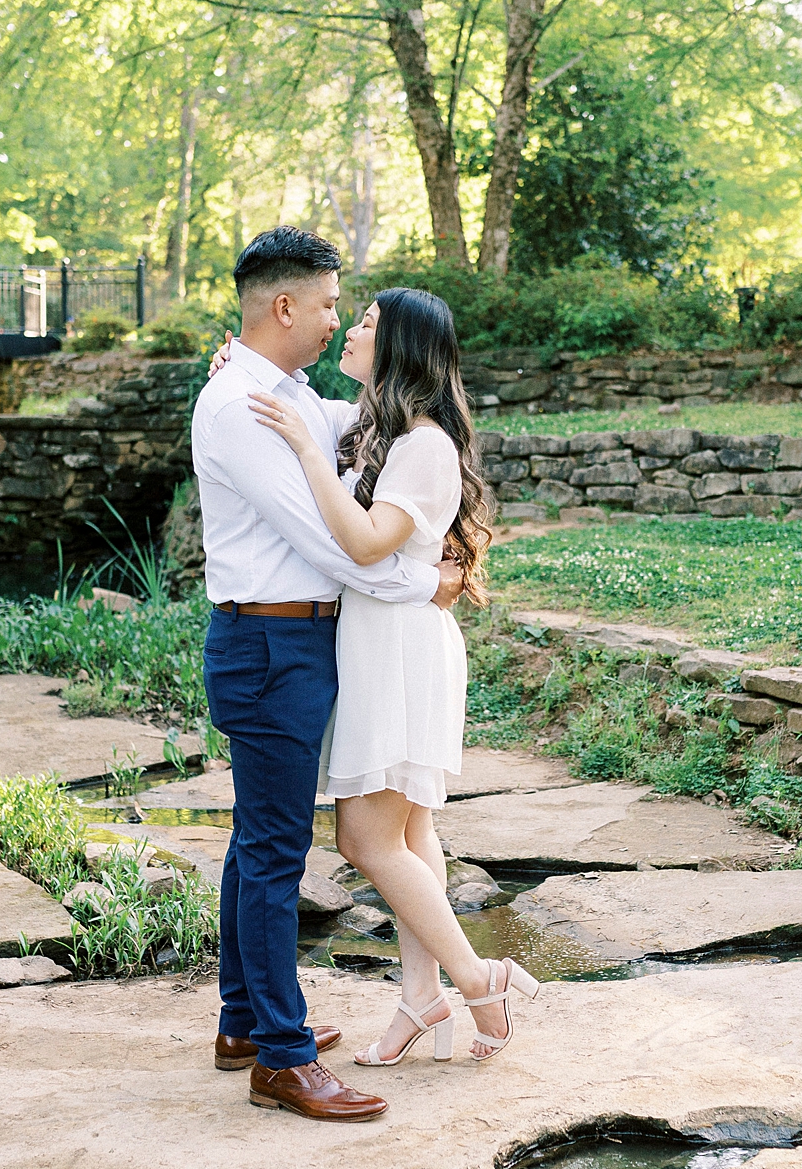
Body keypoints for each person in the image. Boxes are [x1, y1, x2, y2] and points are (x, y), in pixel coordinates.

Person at [191, 227, 463, 1123]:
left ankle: (242, 1022)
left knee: (254, 839)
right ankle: (282, 1053)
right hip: (272, 647)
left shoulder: (291, 393)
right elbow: (334, 545)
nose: (338, 319)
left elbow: (387, 425)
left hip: (293, 645)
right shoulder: (242, 406)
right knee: (274, 852)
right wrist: (430, 583)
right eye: (330, 305)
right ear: (285, 307)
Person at [245, 285, 541, 1068]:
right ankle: (420, 996)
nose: (349, 327)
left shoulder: (423, 446)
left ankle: (480, 979)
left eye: (368, 322)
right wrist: (242, 364)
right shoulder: (388, 430)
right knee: (411, 832)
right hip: (393, 639)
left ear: (401, 345)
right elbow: (320, 413)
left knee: (364, 837)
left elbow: (370, 543)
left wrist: (310, 460)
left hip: (400, 650)